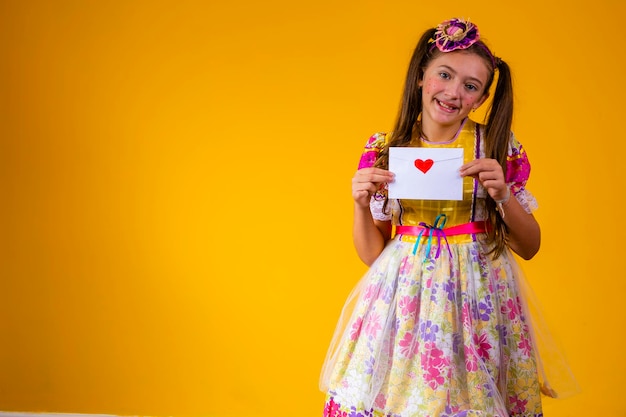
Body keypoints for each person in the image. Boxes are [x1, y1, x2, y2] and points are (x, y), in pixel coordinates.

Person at [319, 17, 577, 417]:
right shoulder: (385, 149)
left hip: (480, 297)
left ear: (481, 97)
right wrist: (358, 203)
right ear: (422, 76)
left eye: (470, 86)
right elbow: (373, 256)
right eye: (445, 74)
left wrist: (503, 196)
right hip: (404, 300)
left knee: (472, 399)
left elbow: (529, 247)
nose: (454, 92)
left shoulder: (495, 146)